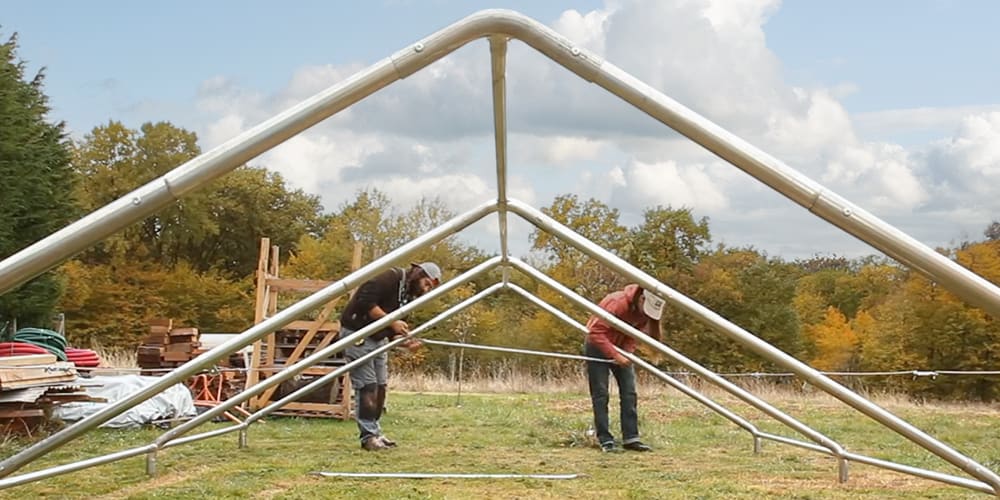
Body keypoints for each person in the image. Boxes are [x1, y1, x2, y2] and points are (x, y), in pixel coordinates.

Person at [341, 261, 442, 451]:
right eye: (426, 284)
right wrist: (393, 321)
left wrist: (407, 342)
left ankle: (376, 433)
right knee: (367, 387)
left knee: (380, 387)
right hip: (358, 334)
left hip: (378, 340)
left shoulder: (409, 296)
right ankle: (368, 437)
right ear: (418, 274)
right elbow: (365, 301)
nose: (426, 290)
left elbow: (395, 331)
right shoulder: (391, 277)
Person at [584, 284, 664, 453]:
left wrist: (627, 353)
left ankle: (631, 437)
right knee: (601, 393)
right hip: (597, 346)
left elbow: (633, 335)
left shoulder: (644, 313)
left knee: (629, 392)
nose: (646, 316)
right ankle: (605, 439)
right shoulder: (617, 302)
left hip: (620, 349)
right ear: (641, 299)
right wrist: (615, 355)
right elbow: (595, 332)